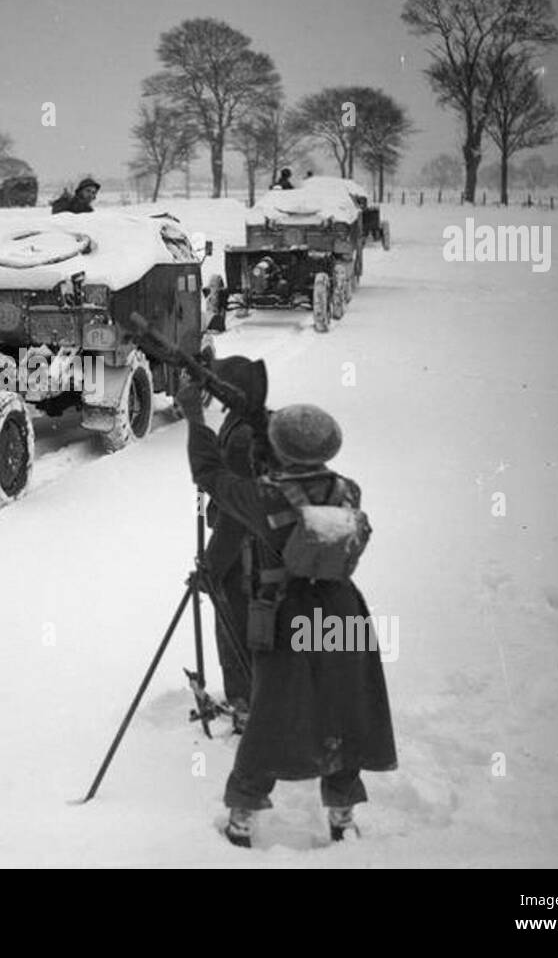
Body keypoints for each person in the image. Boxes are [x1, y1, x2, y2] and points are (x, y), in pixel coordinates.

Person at [174, 387, 397, 848]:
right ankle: (342, 811)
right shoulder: (347, 490)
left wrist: (196, 418)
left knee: (271, 712)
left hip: (285, 613)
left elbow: (210, 474)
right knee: (343, 706)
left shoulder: (265, 498)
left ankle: (242, 814)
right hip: (341, 608)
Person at [199, 356, 271, 732]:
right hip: (255, 547)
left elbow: (236, 513)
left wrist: (212, 566)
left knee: (235, 619)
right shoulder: (251, 422)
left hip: (245, 553)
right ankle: (252, 697)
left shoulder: (243, 435)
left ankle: (246, 702)